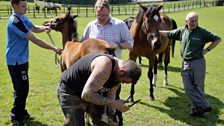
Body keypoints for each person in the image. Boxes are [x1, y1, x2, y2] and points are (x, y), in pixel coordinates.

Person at [6, 0, 62, 125]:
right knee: (21, 88)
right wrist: (54, 48)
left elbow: (35, 28)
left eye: (26, 5)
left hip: (22, 59)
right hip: (15, 61)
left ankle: (22, 111)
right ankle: (15, 116)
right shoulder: (15, 22)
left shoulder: (22, 18)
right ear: (14, 6)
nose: (26, 8)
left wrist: (46, 28)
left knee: (24, 88)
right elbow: (35, 40)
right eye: (23, 6)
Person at [81, 0, 134, 125]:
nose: (101, 18)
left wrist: (117, 45)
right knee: (94, 99)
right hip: (94, 72)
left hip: (113, 73)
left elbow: (130, 43)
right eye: (98, 15)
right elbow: (82, 43)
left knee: (113, 99)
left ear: (109, 12)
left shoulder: (119, 25)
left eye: (104, 15)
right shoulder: (90, 25)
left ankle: (117, 121)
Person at [160, 12, 221, 116]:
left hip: (198, 63)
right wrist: (155, 32)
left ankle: (196, 109)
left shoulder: (202, 32)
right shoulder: (182, 31)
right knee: (188, 87)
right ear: (186, 21)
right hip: (185, 63)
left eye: (196, 21)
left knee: (198, 87)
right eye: (191, 21)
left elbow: (217, 39)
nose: (194, 23)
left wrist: (207, 50)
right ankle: (205, 105)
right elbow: (169, 33)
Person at [57, 53, 141, 126]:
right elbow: (86, 95)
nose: (121, 83)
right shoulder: (104, 66)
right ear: (122, 71)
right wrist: (114, 104)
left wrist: (112, 115)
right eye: (123, 81)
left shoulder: (119, 73)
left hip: (92, 93)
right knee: (75, 124)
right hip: (71, 91)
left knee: (105, 123)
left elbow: (111, 94)